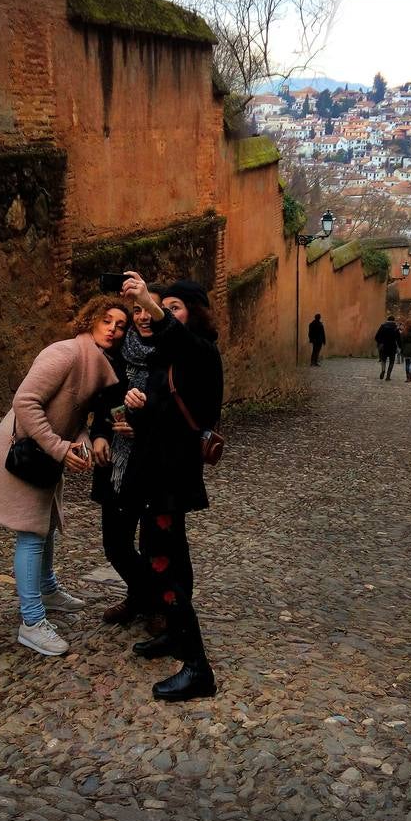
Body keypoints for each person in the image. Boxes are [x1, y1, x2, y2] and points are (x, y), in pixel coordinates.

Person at [0, 296, 124, 656]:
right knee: (32, 532)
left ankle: (48, 589)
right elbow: (26, 401)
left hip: (46, 453)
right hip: (27, 451)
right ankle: (32, 622)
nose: (114, 329)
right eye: (106, 321)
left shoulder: (96, 363)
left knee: (46, 522)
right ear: (89, 322)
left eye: (121, 325)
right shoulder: (65, 353)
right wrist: (59, 447)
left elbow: (74, 417)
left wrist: (82, 443)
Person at [118, 272, 223, 702]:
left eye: (175, 307)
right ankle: (177, 636)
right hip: (156, 473)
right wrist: (135, 408)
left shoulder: (200, 352)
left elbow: (174, 335)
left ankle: (198, 667)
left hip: (169, 478)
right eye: (167, 307)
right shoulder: (171, 358)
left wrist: (147, 300)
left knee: (160, 562)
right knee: (173, 557)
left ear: (192, 315)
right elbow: (163, 420)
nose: (164, 315)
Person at [90, 289, 164, 628]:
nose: (144, 316)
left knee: (153, 543)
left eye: (150, 308)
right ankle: (146, 596)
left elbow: (178, 414)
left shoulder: (171, 355)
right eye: (137, 310)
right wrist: (102, 434)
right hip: (117, 465)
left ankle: (155, 604)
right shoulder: (116, 353)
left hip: (153, 464)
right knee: (116, 544)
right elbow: (102, 404)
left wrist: (145, 429)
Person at [374, 315, 402, 380]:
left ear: (387, 319)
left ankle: (383, 370)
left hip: (384, 346)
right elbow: (398, 339)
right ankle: (388, 375)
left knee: (383, 360)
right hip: (392, 346)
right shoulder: (396, 328)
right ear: (393, 320)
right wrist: (400, 346)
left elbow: (377, 336)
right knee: (391, 361)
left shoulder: (383, 326)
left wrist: (380, 342)